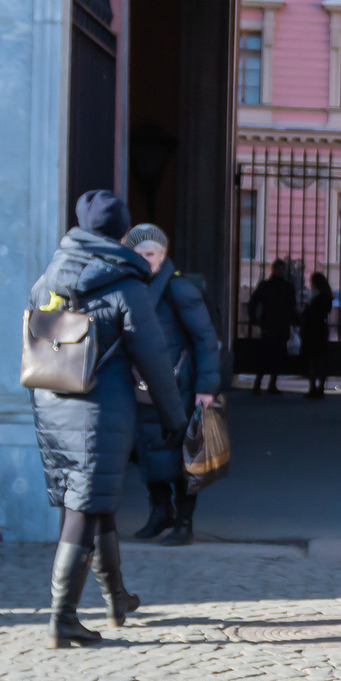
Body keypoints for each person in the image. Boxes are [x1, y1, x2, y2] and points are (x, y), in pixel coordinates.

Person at [28, 191, 189, 647]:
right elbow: (153, 357)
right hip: (99, 408)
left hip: (51, 402)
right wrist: (173, 417)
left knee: (90, 501)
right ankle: (62, 618)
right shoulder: (124, 283)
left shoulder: (48, 277)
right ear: (121, 232)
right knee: (84, 508)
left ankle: (117, 598)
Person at [125, 225, 220, 547]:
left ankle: (183, 522)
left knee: (183, 459)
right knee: (146, 452)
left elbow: (205, 339)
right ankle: (160, 511)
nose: (144, 260)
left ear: (163, 254)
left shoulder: (179, 289)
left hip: (178, 388)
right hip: (140, 388)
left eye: (150, 254)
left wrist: (206, 387)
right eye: (137, 255)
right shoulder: (131, 287)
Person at [246, 259, 297, 393]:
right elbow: (291, 307)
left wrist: (254, 319)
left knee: (273, 355)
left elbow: (253, 303)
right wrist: (254, 319)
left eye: (281, 269)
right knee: (269, 355)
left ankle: (267, 383)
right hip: (274, 324)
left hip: (274, 324)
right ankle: (262, 383)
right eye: (279, 269)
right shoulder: (284, 287)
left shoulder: (271, 286)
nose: (280, 272)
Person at [301, 269, 337, 398]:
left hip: (312, 331)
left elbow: (310, 314)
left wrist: (307, 307)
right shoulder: (327, 297)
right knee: (320, 360)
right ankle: (320, 387)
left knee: (313, 361)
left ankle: (313, 388)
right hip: (320, 330)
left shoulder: (318, 298)